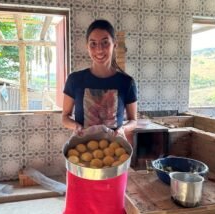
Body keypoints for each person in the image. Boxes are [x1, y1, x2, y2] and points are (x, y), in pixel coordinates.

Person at [62, 19, 138, 214]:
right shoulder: (75, 80)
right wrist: (76, 127)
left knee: (111, 208)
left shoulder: (126, 82)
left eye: (105, 42)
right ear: (87, 46)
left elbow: (134, 120)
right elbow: (65, 117)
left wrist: (122, 129)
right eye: (93, 43)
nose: (99, 49)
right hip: (80, 160)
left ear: (114, 44)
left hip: (114, 158)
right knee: (79, 208)